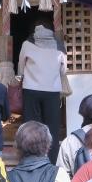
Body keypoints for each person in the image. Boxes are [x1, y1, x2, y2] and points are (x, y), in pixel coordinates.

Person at [16, 20, 67, 156]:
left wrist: (21, 77)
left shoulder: (27, 44)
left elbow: (21, 66)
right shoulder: (59, 45)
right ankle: (51, 159)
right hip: (52, 91)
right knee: (52, 127)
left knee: (31, 126)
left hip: (31, 89)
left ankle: (30, 157)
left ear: (35, 30)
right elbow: (63, 70)